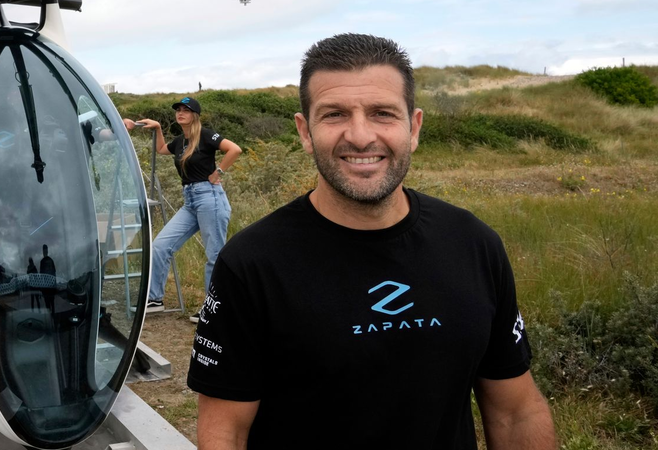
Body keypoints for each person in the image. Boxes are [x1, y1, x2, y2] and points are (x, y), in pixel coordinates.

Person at [188, 34, 555, 449]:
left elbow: (515, 411)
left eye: (383, 113)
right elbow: (225, 432)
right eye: (335, 115)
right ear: (305, 131)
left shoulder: (473, 243)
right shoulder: (251, 264)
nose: (361, 136)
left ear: (413, 127)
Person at [129, 97, 241, 322]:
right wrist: (159, 127)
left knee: (214, 255)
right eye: (178, 110)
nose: (180, 113)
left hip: (210, 198)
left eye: (186, 110)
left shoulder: (207, 135)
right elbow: (161, 149)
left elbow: (234, 149)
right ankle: (154, 299)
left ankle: (212, 308)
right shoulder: (180, 141)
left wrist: (219, 172)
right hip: (190, 201)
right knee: (160, 246)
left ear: (194, 115)